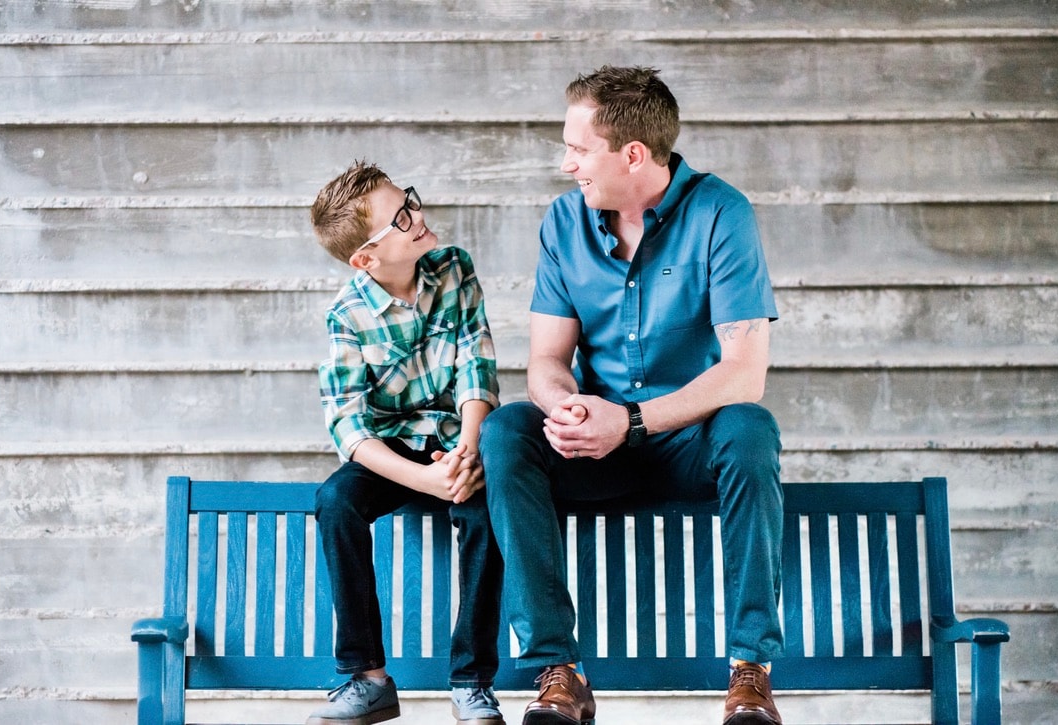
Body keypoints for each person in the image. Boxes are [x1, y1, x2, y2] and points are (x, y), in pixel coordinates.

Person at [479, 66, 785, 725]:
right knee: (507, 429)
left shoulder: (720, 212)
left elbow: (743, 372)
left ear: (633, 155)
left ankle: (750, 672)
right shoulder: (564, 223)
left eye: (579, 149)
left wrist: (636, 419)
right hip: (598, 447)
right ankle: (559, 671)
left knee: (750, 425)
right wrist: (570, 406)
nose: (568, 166)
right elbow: (546, 361)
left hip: (690, 444)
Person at [307, 160, 506, 725]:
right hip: (394, 453)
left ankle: (471, 681)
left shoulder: (454, 269)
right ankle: (367, 677)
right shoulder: (348, 314)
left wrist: (467, 450)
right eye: (399, 217)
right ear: (366, 258)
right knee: (336, 502)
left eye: (410, 201)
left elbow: (476, 364)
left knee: (487, 508)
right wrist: (420, 478)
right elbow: (348, 424)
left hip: (457, 436)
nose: (416, 216)